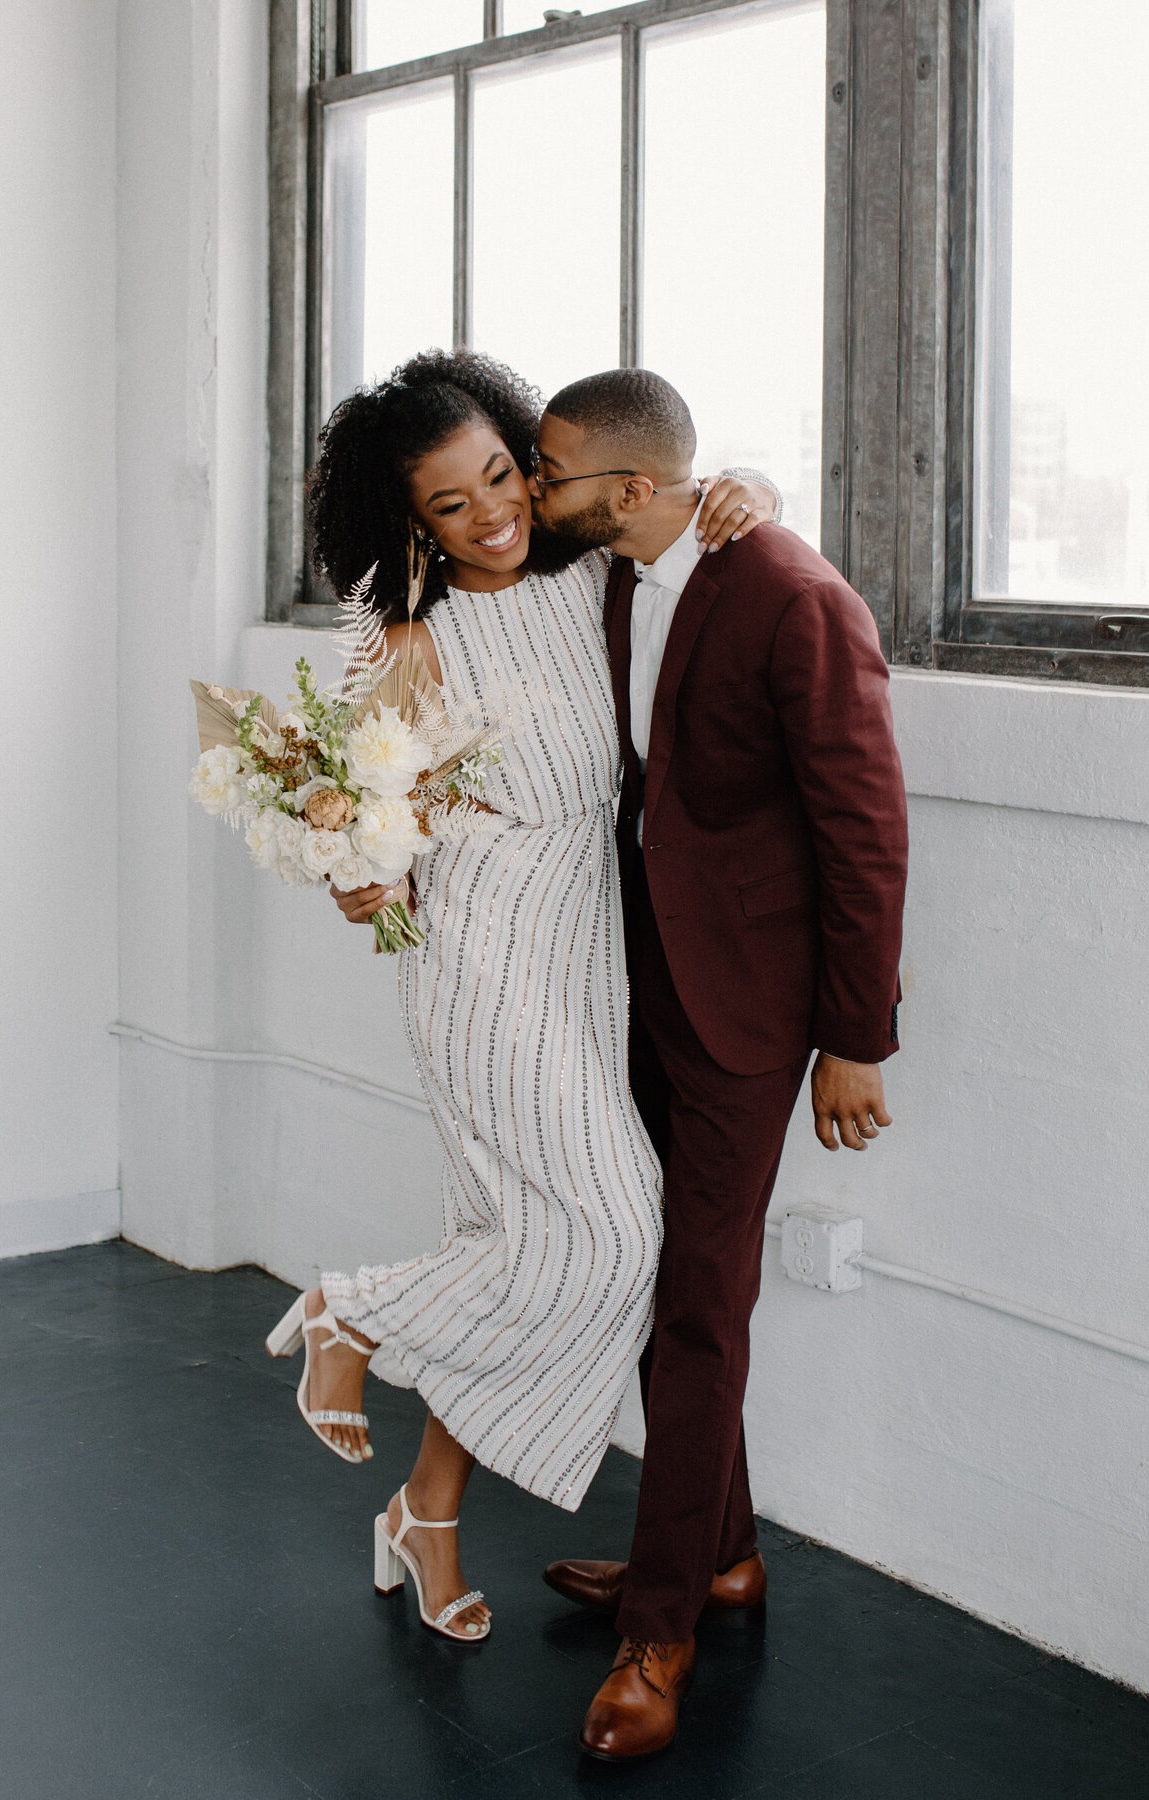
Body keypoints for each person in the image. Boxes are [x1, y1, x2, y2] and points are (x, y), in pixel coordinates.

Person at [265, 349, 781, 1643]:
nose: (491, 514)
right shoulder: (406, 649)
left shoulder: (597, 578)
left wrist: (749, 488)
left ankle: (426, 1516)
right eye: (451, 504)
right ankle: (350, 1312)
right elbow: (369, 843)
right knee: (607, 1237)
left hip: (591, 963)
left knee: (525, 1252)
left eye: (502, 475)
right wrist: (358, 873)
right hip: (485, 973)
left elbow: (687, 510)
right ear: (411, 523)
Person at [529, 367, 908, 1760]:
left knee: (699, 1302)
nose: (538, 489)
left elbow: (866, 829)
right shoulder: (625, 573)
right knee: (646, 1266)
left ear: (630, 489)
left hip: (753, 1014)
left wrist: (854, 1041)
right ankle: (721, 1549)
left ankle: (663, 1629)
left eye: (553, 471)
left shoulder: (797, 598)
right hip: (639, 980)